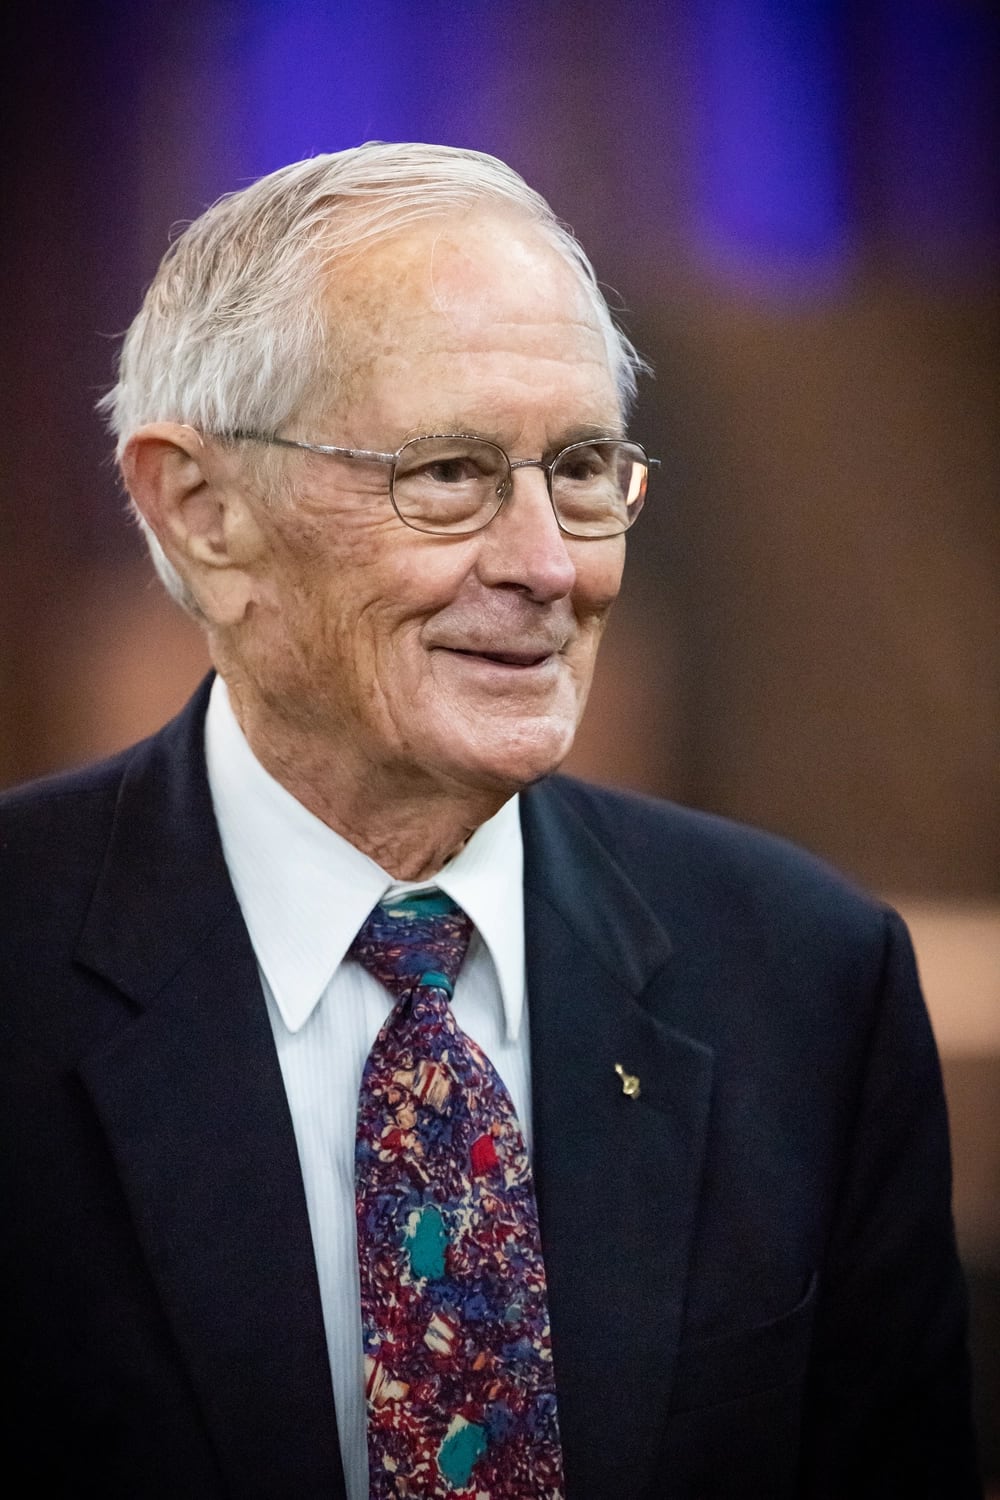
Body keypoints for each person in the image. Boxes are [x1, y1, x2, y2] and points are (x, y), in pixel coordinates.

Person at [0, 143, 980, 1500]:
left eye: (581, 468)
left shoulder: (811, 981)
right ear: (203, 508)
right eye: (449, 472)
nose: (547, 566)